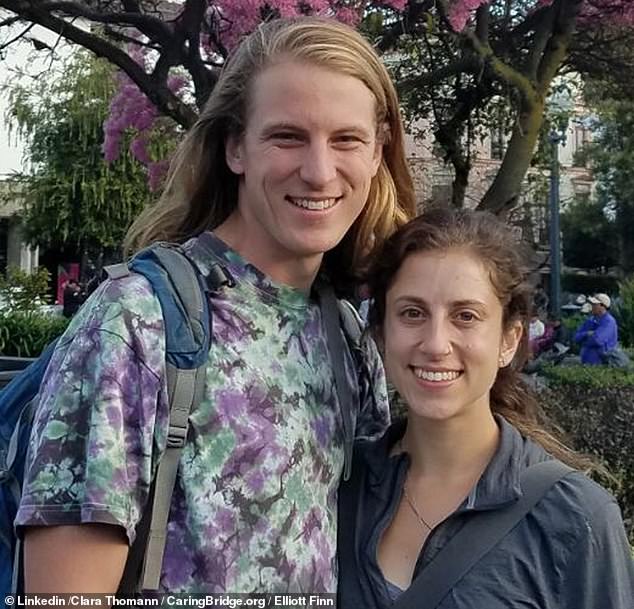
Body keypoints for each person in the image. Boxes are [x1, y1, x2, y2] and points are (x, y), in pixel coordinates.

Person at [17, 17, 416, 593]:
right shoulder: (137, 322)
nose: (320, 170)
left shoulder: (349, 339)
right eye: (287, 137)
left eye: (346, 140)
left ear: (378, 153)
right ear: (235, 147)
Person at [338, 208, 634, 608]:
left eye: (465, 316)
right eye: (412, 313)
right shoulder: (339, 485)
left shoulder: (576, 518)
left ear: (509, 340)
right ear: (381, 332)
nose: (436, 344)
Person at [574, 293, 618, 365]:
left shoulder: (609, 321)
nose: (592, 306)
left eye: (594, 304)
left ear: (603, 306)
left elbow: (597, 340)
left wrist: (583, 342)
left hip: (602, 365)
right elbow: (576, 337)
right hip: (586, 363)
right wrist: (587, 333)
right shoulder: (590, 320)